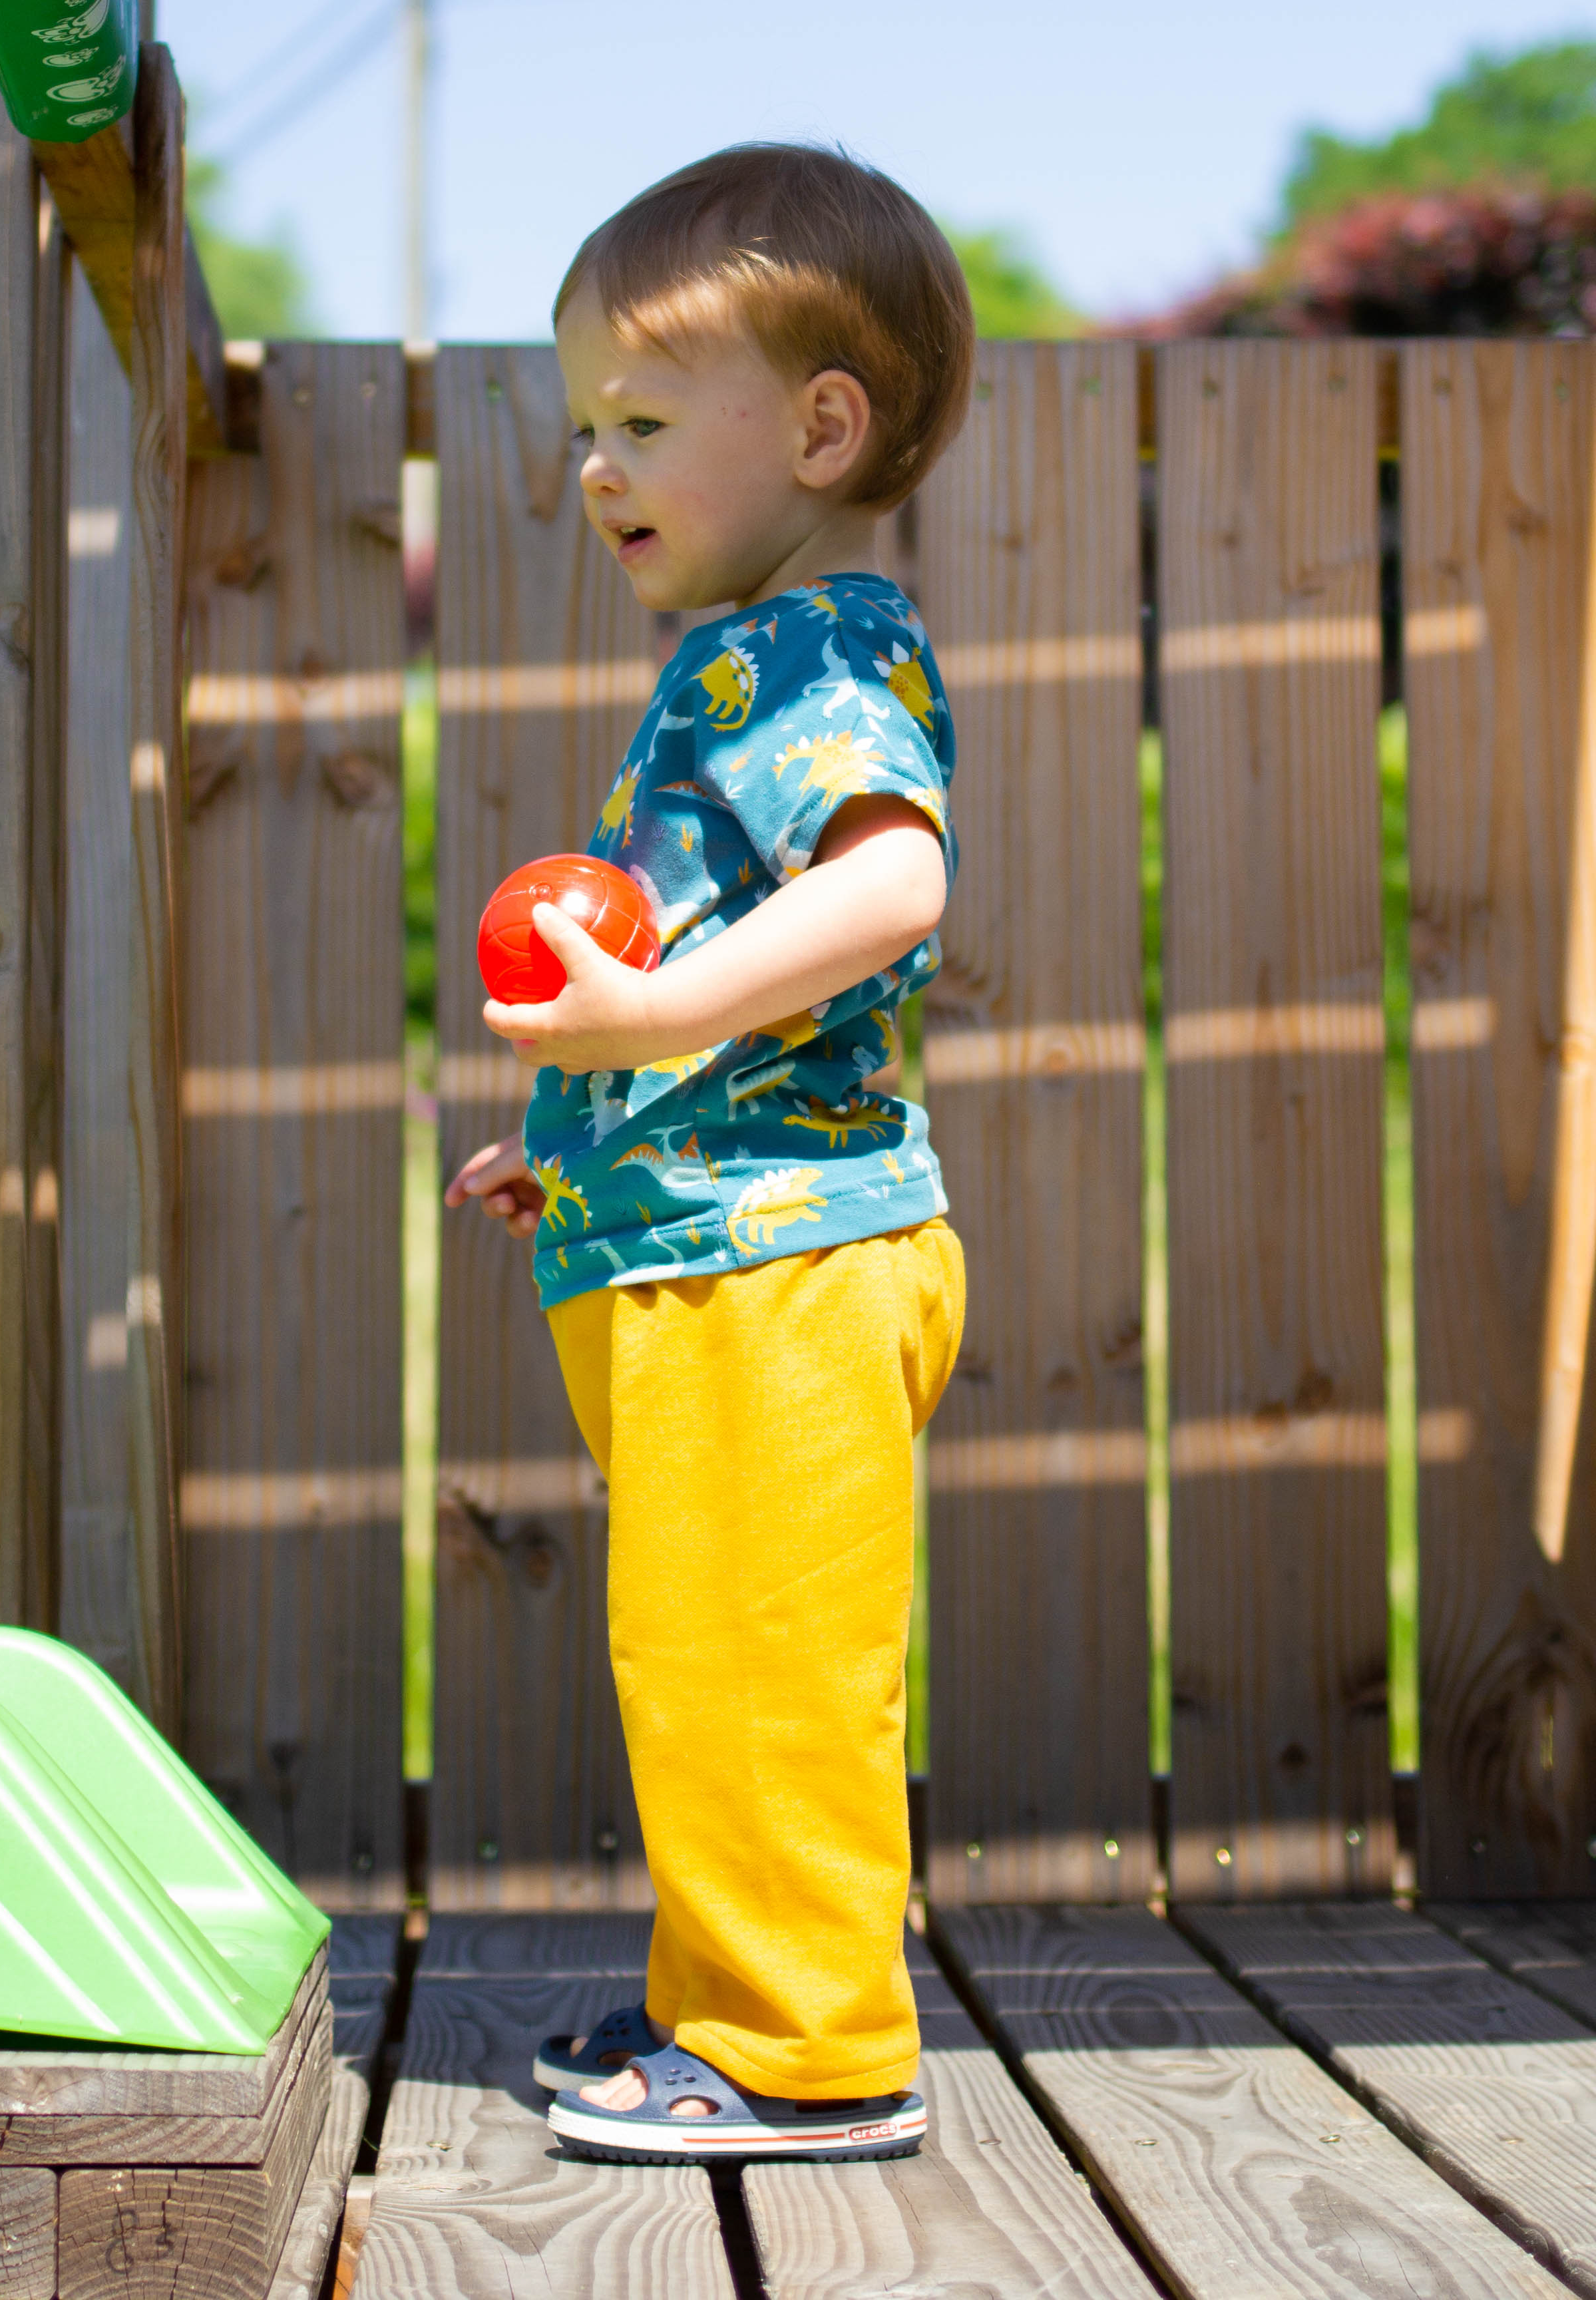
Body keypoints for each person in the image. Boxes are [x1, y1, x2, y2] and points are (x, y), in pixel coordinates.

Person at [444, 142, 973, 2165]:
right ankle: (722, 2005)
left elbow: (894, 885)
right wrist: (582, 1138)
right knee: (706, 1653)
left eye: (645, 423)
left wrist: (651, 1022)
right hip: (712, 1238)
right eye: (585, 427)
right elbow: (734, 962)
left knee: (761, 1668)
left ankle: (805, 2054)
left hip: (777, 1267)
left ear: (822, 429)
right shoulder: (750, 657)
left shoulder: (816, 649)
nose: (596, 468)